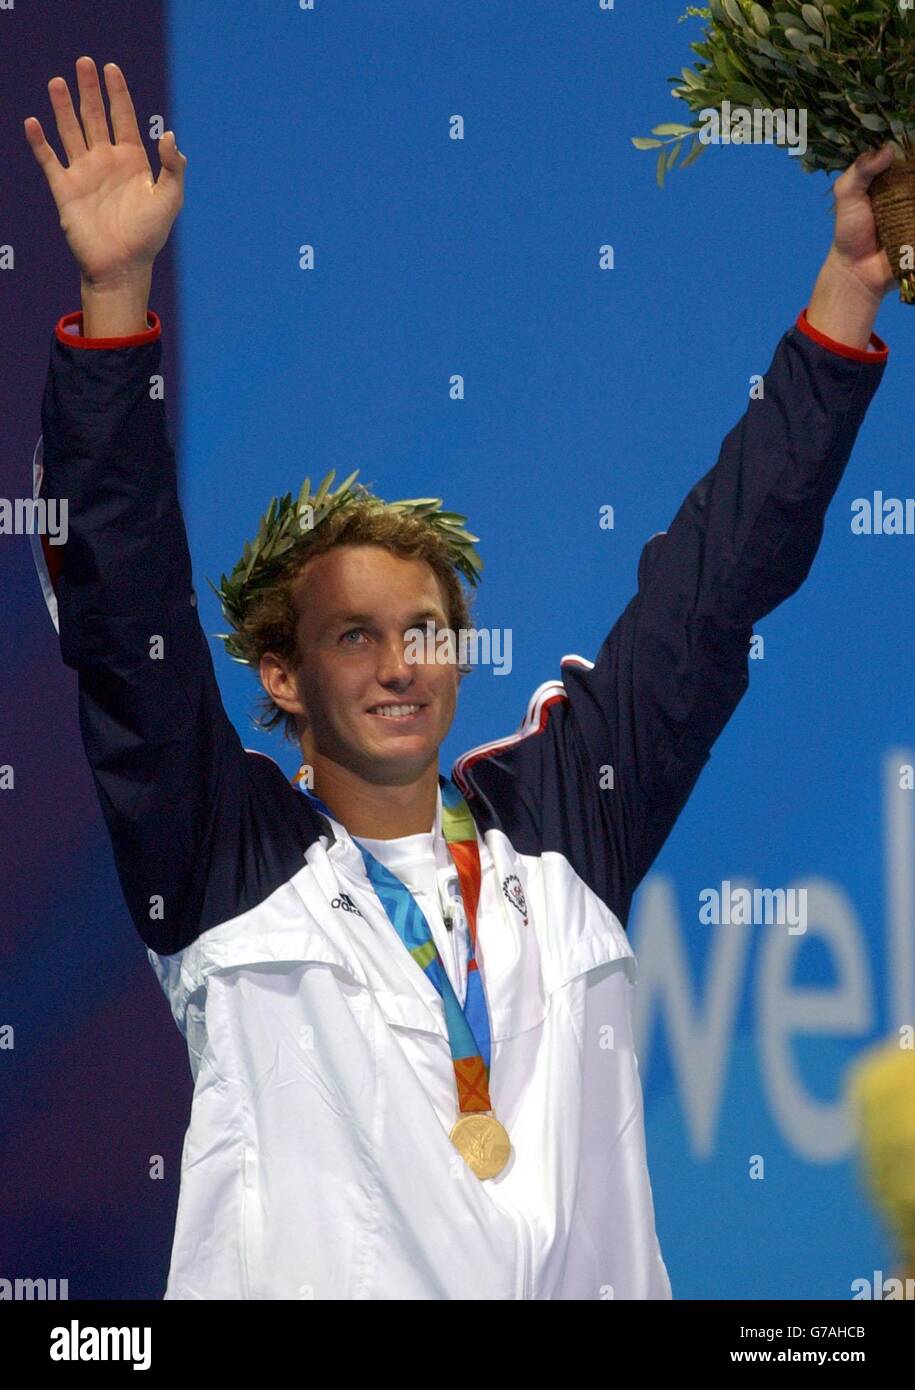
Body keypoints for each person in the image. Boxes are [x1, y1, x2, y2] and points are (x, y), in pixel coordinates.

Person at [25, 56, 895, 1301]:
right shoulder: (219, 856)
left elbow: (714, 591)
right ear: (281, 674)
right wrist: (114, 296)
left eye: (426, 631)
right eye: (355, 637)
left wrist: (846, 293)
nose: (401, 667)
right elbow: (122, 616)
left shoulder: (560, 825)